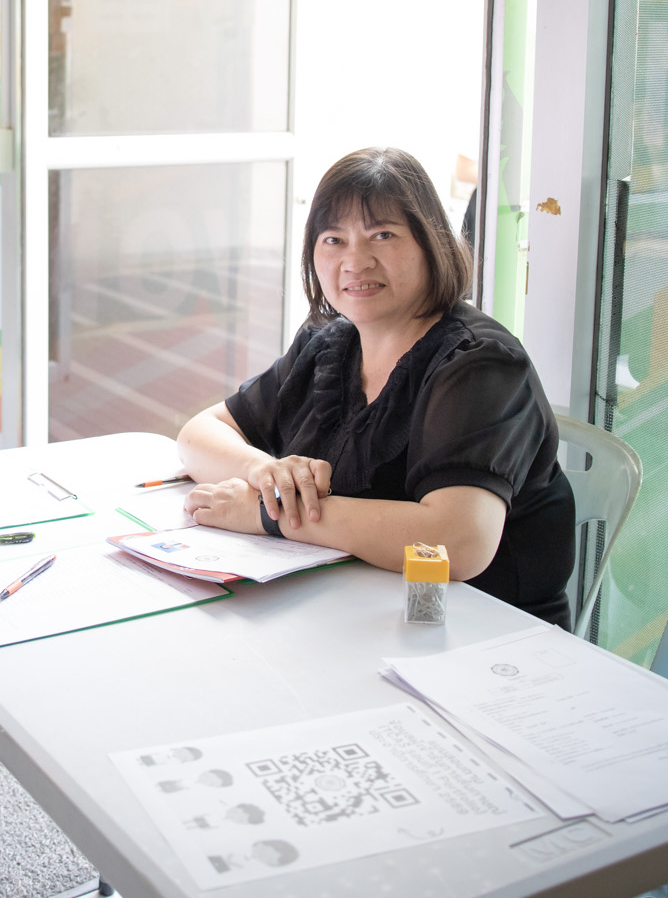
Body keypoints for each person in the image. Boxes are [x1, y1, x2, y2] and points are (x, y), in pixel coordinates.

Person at [176, 147, 575, 628]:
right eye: (334, 239)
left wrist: (270, 514)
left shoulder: (479, 364)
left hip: (480, 634)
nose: (355, 261)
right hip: (349, 615)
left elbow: (458, 541)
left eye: (382, 235)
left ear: (431, 242)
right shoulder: (329, 343)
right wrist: (268, 477)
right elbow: (199, 434)